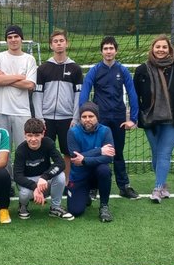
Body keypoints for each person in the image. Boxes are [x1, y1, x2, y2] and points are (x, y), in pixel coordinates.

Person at [134, 35, 174, 203]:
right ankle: (163, 184)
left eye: (164, 47)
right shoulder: (142, 70)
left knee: (164, 153)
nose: (161, 50)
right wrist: (140, 113)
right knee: (156, 154)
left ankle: (157, 188)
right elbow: (135, 95)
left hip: (172, 120)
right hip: (150, 120)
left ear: (169, 50)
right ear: (152, 49)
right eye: (157, 47)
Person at [79, 36, 140, 199]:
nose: (108, 51)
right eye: (105, 48)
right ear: (101, 51)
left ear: (116, 51)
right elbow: (85, 91)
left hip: (119, 117)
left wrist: (133, 118)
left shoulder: (122, 70)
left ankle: (124, 185)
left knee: (117, 152)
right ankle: (93, 187)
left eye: (111, 48)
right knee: (96, 153)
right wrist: (83, 114)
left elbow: (133, 93)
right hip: (100, 118)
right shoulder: (95, 70)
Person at [33, 29, 82, 180]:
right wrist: (39, 117)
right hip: (46, 118)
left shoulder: (75, 68)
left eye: (61, 41)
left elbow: (78, 96)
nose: (59, 44)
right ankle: (44, 182)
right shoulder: (43, 68)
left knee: (68, 151)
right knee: (44, 151)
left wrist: (75, 118)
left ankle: (67, 182)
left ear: (67, 43)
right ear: (51, 45)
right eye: (55, 41)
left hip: (67, 118)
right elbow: (37, 94)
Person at [13, 118, 74, 221]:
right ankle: (23, 206)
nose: (33, 139)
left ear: (43, 134)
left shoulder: (48, 143)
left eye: (37, 135)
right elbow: (17, 176)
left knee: (60, 176)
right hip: (29, 181)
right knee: (24, 194)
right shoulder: (21, 150)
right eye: (30, 135)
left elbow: (61, 163)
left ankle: (55, 207)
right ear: (25, 134)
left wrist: (44, 177)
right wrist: (34, 187)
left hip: (44, 180)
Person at [0, 25, 37, 155]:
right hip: (0, 111)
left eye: (16, 36)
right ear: (6, 40)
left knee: (24, 150)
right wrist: (19, 77)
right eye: (10, 37)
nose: (13, 39)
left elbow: (29, 85)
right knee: (2, 152)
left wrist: (4, 77)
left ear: (21, 39)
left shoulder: (29, 59)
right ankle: (6, 176)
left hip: (22, 112)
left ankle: (22, 176)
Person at [66, 102, 115, 222]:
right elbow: (74, 158)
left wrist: (84, 159)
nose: (87, 119)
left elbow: (109, 158)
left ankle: (104, 206)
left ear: (97, 117)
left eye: (91, 116)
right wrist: (100, 150)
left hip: (97, 173)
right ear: (80, 118)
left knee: (104, 169)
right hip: (79, 175)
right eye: (84, 117)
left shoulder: (106, 131)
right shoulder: (72, 132)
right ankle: (85, 195)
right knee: (75, 211)